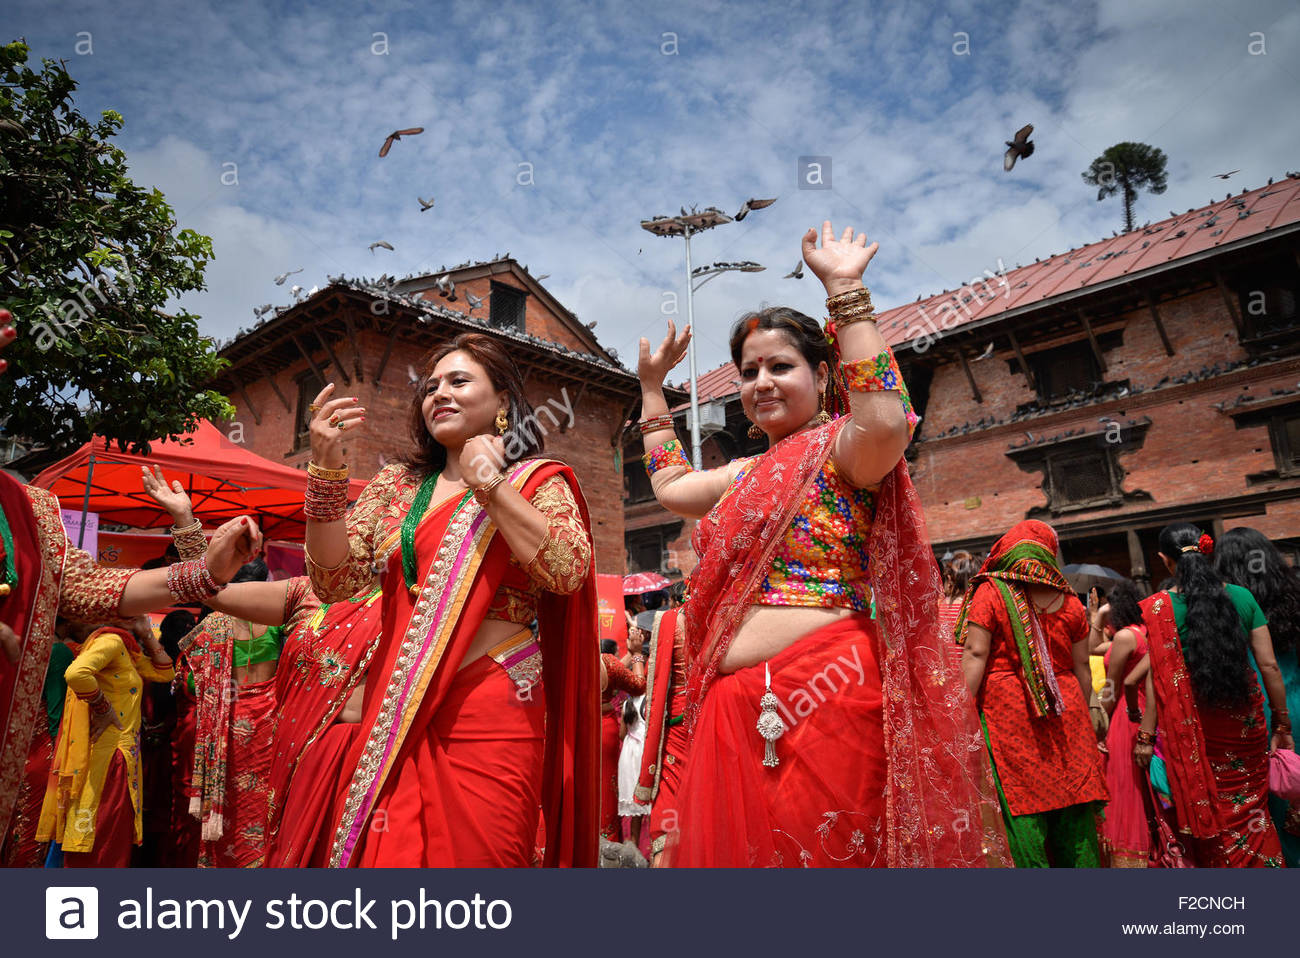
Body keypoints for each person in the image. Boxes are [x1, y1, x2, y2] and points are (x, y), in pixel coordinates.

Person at [639, 222, 1007, 867]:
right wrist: (650, 392)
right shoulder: (748, 473)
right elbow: (671, 486)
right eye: (749, 371)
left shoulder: (843, 450)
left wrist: (845, 290)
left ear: (822, 372)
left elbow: (886, 418)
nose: (762, 382)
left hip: (828, 693)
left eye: (781, 366)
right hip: (731, 705)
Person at [303, 332, 600, 867]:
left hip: (493, 706)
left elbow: (566, 570)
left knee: (482, 858)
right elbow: (335, 583)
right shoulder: (398, 485)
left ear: (503, 402)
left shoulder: (536, 482)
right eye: (431, 387)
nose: (439, 394)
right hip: (398, 704)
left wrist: (490, 482)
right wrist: (326, 469)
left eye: (459, 381)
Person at [1136, 523, 1291, 867]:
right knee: (1254, 808)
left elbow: (1157, 680)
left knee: (1214, 809)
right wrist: (1283, 722)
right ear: (1206, 551)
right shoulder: (1242, 596)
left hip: (1197, 727)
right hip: (1245, 722)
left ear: (1165, 561)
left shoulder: (1158, 608)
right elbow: (1269, 667)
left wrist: (1146, 736)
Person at [956, 519, 1109, 867]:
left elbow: (976, 654)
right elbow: (1082, 666)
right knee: (1074, 800)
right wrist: (1084, 710)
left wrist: (959, 715)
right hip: (1067, 708)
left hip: (1010, 711)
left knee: (1023, 803)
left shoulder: (991, 593)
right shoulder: (1070, 600)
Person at [36, 623, 175, 866]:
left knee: (108, 839)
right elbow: (76, 673)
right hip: (107, 758)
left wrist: (145, 632)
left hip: (119, 756)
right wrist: (103, 708)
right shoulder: (109, 641)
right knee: (99, 840)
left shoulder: (124, 647)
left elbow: (165, 673)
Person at [1214, 527, 1300, 865]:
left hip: (1257, 714)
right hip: (1294, 700)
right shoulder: (1293, 595)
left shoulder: (1227, 606)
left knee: (1278, 795)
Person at [1092, 579, 1154, 867]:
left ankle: (1129, 857)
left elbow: (1112, 688)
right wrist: (1098, 617)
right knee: (1144, 786)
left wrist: (1098, 722)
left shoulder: (1123, 638)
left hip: (1125, 715)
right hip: (1146, 711)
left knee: (1125, 787)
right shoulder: (1143, 632)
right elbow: (1094, 646)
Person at [938, 552, 979, 673]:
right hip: (969, 673)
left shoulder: (940, 606)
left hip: (945, 675)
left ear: (949, 579)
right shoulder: (976, 605)